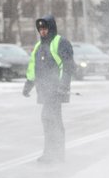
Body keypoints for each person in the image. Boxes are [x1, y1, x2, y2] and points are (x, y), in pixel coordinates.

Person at [22, 14, 76, 163]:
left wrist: (63, 85)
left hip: (56, 90)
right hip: (45, 90)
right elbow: (33, 67)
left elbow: (68, 65)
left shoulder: (60, 43)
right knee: (48, 120)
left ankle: (56, 154)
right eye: (40, 29)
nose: (43, 32)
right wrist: (28, 85)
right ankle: (50, 153)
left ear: (51, 28)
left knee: (52, 119)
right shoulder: (39, 47)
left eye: (45, 28)